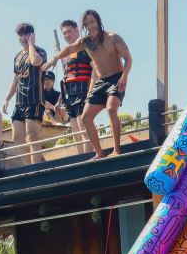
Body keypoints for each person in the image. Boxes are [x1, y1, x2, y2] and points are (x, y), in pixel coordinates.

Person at [44, 9, 132, 159]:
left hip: (116, 79)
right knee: (85, 118)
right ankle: (99, 153)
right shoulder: (86, 42)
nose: (91, 26)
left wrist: (124, 76)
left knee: (111, 109)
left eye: (92, 22)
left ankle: (117, 150)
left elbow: (128, 59)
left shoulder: (112, 38)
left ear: (98, 21)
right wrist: (55, 58)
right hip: (101, 82)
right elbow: (70, 48)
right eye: (87, 24)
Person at [3, 23, 46, 166]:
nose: (23, 37)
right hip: (19, 102)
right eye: (20, 35)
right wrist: (7, 98)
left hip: (34, 100)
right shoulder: (17, 56)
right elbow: (15, 79)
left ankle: (36, 167)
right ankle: (28, 168)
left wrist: (31, 44)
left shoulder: (40, 51)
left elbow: (35, 61)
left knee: (32, 137)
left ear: (32, 35)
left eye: (26, 34)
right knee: (17, 138)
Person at [56, 19, 95, 154]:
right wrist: (59, 101)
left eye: (69, 31)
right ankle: (81, 157)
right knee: (75, 131)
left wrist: (90, 90)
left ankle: (89, 157)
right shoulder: (65, 54)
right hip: (70, 95)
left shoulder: (85, 47)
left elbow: (95, 69)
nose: (67, 35)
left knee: (83, 126)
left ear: (76, 30)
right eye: (64, 33)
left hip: (83, 91)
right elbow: (67, 78)